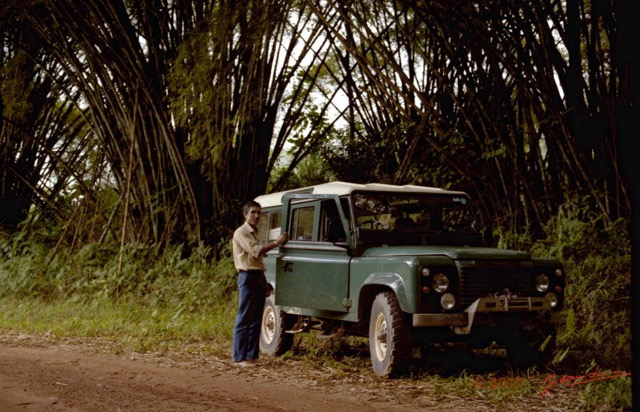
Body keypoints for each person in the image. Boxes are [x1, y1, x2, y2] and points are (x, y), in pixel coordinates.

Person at [231, 200, 288, 367]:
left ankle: (251, 355)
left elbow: (257, 263)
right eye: (253, 212)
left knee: (256, 318)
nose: (256, 216)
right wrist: (277, 242)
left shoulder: (254, 232)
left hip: (256, 276)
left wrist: (265, 285)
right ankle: (239, 357)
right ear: (245, 214)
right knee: (244, 317)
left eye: (258, 213)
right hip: (247, 277)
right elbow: (256, 252)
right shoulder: (241, 232)